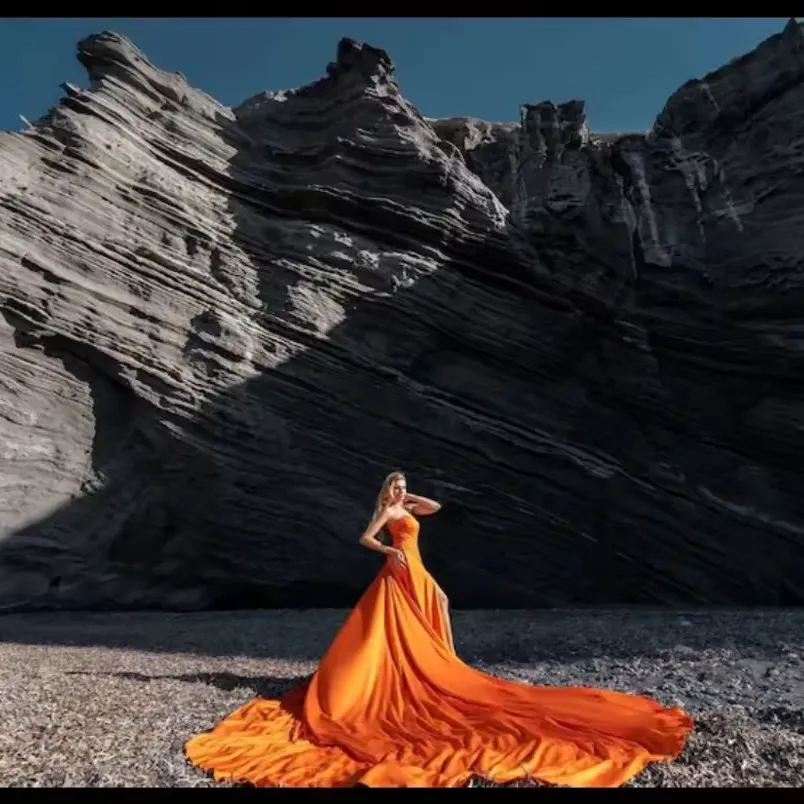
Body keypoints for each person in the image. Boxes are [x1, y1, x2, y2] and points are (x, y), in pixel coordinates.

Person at [184, 471, 693, 788]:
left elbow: (436, 509)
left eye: (403, 488)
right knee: (397, 627)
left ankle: (441, 661)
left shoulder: (407, 505)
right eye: (397, 487)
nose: (403, 494)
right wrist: (389, 549)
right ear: (387, 491)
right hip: (400, 567)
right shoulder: (387, 511)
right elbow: (363, 537)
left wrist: (410, 493)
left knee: (438, 606)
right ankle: (423, 669)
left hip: (418, 568)